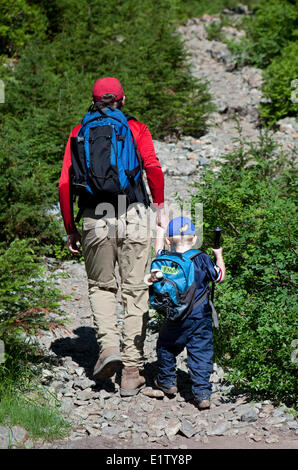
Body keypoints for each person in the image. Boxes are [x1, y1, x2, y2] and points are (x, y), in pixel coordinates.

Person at [59, 76, 166, 396]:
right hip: (133, 213)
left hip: (95, 218)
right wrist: (159, 208)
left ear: (94, 100)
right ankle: (132, 370)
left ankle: (108, 349)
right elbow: (153, 168)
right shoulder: (136, 128)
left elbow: (64, 184)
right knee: (136, 290)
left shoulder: (79, 132)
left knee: (102, 286)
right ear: (122, 99)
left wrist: (70, 228)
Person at [149, 217, 225, 409]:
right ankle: (202, 394)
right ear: (194, 239)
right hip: (200, 317)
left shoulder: (164, 259)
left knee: (165, 346)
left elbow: (156, 251)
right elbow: (220, 277)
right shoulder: (201, 258)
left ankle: (167, 382)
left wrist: (160, 231)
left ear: (168, 241)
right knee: (201, 353)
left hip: (174, 316)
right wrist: (219, 255)